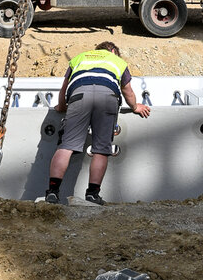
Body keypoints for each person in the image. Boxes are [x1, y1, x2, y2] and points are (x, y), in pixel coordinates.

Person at [44, 41, 150, 206]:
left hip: (79, 95)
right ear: (113, 50)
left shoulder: (79, 58)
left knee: (66, 146)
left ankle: (52, 192)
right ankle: (92, 195)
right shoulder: (118, 61)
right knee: (101, 149)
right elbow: (127, 90)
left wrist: (62, 106)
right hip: (107, 97)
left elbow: (64, 88)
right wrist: (135, 107)